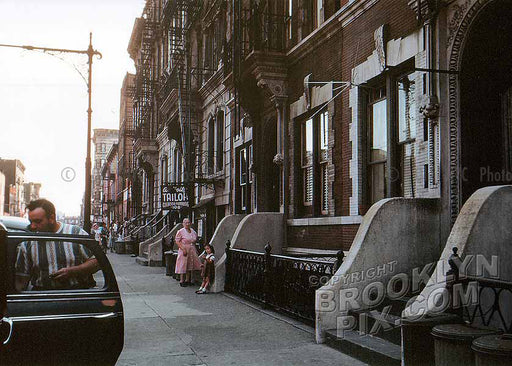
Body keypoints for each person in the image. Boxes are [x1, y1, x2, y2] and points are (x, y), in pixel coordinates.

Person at [15, 199, 100, 291]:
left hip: (76, 295)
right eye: (31, 222)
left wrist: (73, 271)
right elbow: (21, 279)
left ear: (51, 218)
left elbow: (97, 261)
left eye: (38, 221)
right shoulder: (27, 242)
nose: (33, 226)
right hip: (42, 297)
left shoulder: (75, 233)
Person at [174, 218, 201, 287]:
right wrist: (183, 249)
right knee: (183, 264)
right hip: (184, 248)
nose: (187, 224)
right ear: (183, 223)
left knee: (190, 263)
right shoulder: (181, 231)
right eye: (185, 222)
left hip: (192, 248)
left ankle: (188, 279)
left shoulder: (193, 231)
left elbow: (195, 239)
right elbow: (177, 241)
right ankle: (181, 280)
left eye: (188, 222)